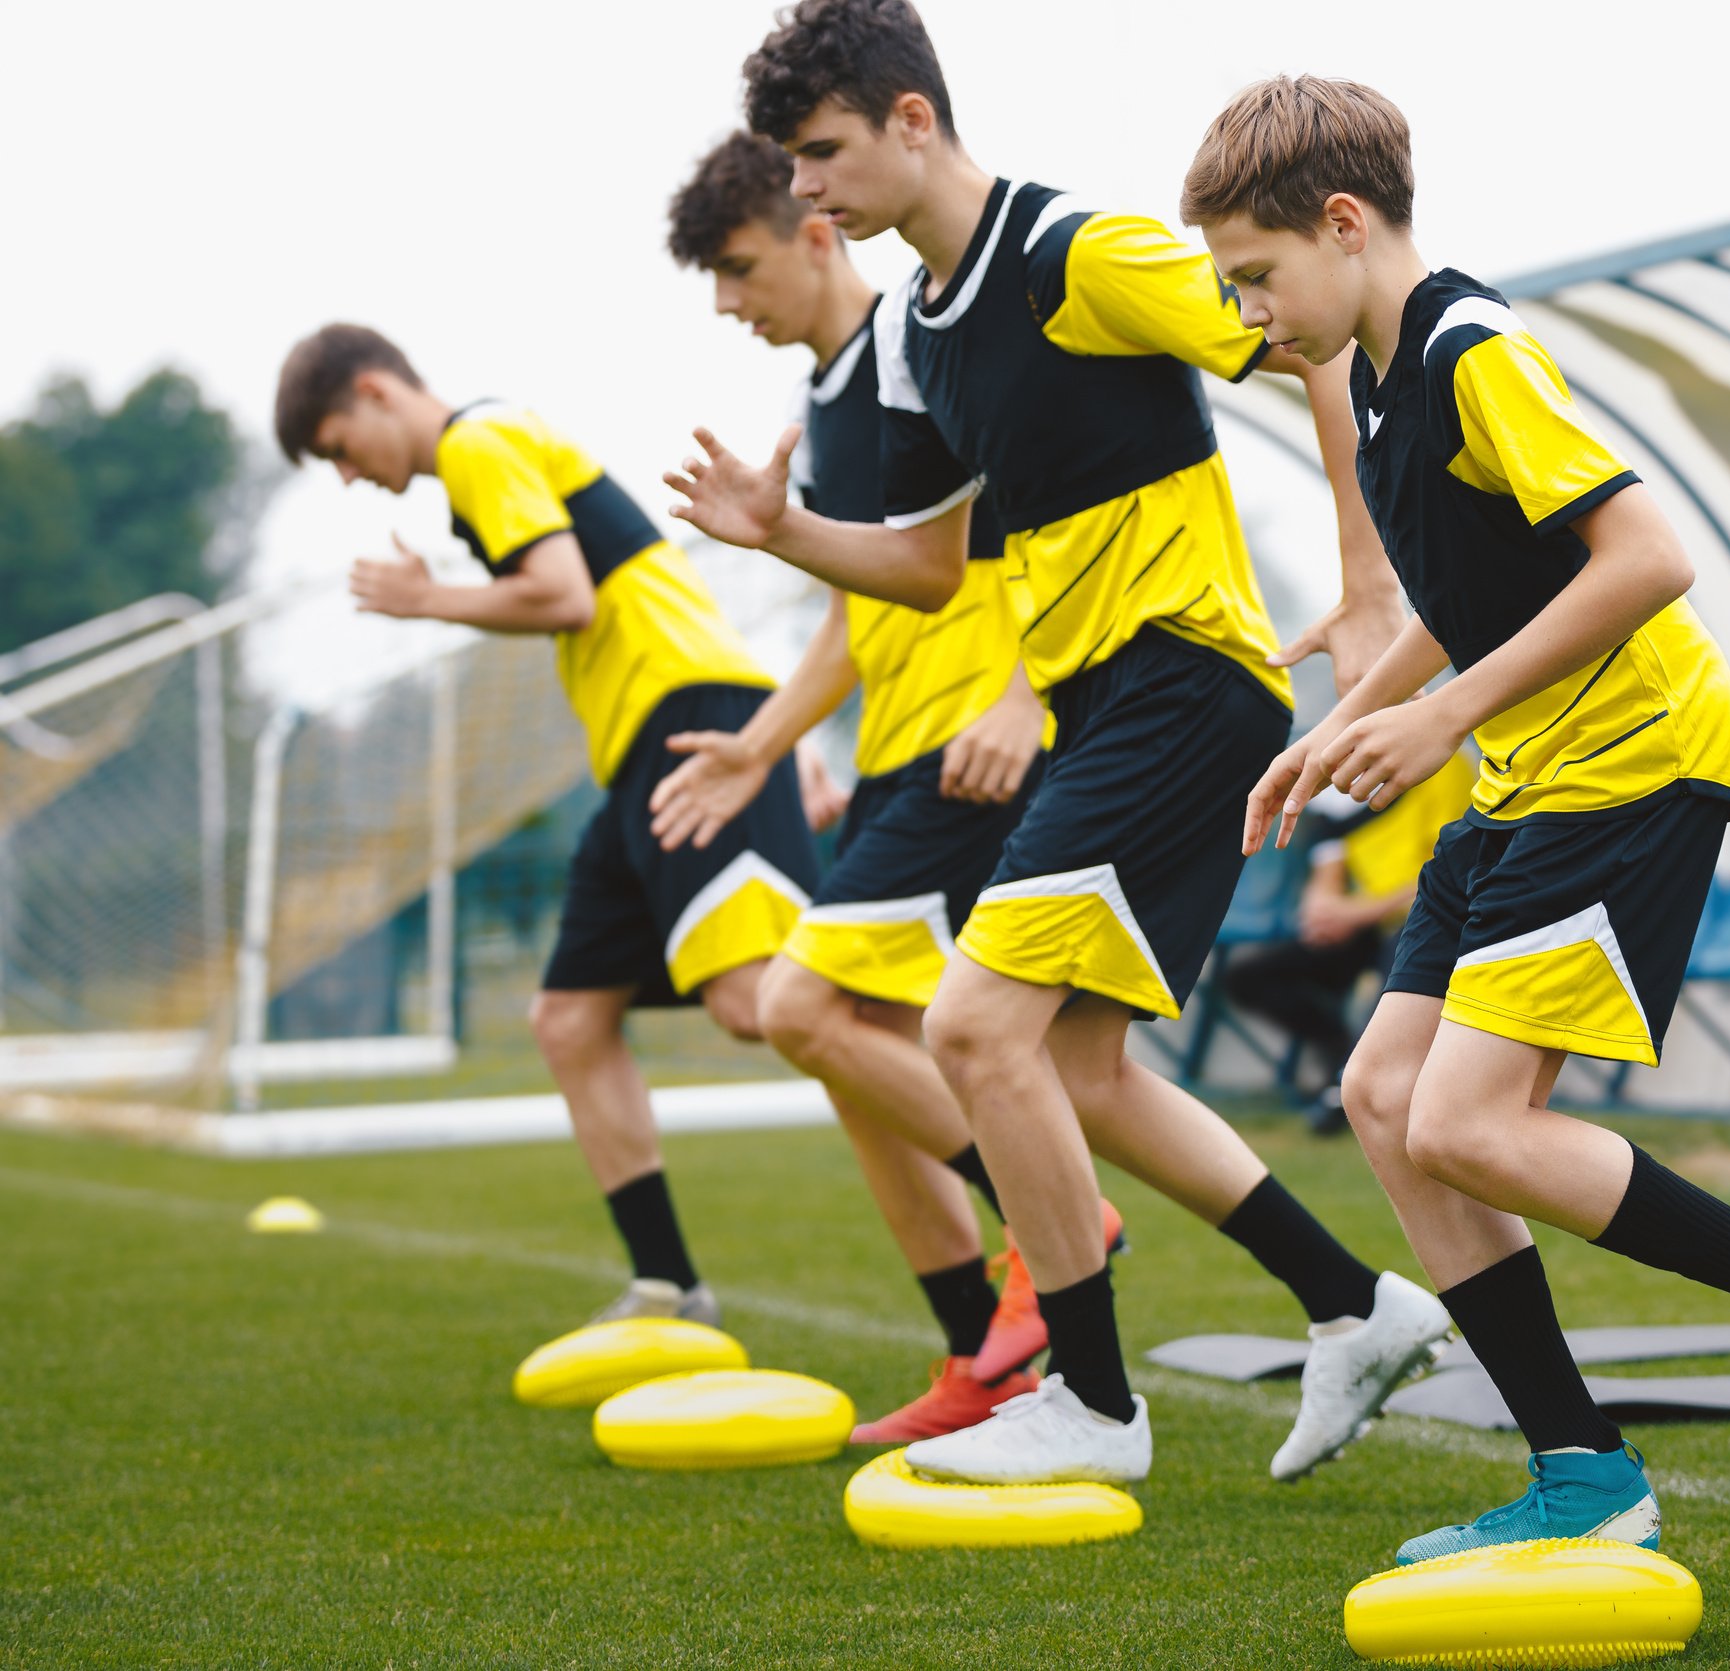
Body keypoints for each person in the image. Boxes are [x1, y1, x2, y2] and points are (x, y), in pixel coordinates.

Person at [666, 0, 1452, 1488]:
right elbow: (921, 565)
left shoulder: (1080, 252)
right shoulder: (916, 335)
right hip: (1103, 705)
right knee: (1079, 1072)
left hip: (1180, 683)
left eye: (823, 153)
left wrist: (1364, 589)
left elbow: (1318, 343)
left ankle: (1089, 1401)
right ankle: (1355, 1303)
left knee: (967, 1027)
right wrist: (781, 529)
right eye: (793, 164)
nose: (809, 191)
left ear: (912, 122)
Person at [1188, 75, 1730, 1559]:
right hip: (1529, 780)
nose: (1245, 314)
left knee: (1466, 1116)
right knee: (1386, 1098)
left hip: (1630, 768)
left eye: (1254, 277)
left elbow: (1647, 557)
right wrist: (1341, 722)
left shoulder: (1468, 353)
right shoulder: (1386, 378)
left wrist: (1439, 715)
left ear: (1340, 223)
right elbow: (1471, 598)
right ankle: (1581, 1464)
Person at [659, 132, 1133, 1441]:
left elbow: (1045, 533)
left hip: (967, 759)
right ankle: (981, 1357)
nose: (723, 303)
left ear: (817, 232)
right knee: (858, 1064)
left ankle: (1060, 1226)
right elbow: (846, 616)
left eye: (737, 267)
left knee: (807, 1009)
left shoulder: (919, 352)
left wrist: (1023, 694)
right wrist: (760, 744)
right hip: (886, 759)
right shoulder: (822, 399)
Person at [273, 323, 823, 1334]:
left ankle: (1021, 1187)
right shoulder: (487, 454)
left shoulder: (477, 444)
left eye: (339, 446)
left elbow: (564, 595)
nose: (349, 476)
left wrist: (425, 599)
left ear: (373, 392)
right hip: (643, 746)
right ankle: (668, 1285)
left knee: (761, 1005)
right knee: (568, 1020)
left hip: (688, 722)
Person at [1220, 752, 1475, 1131]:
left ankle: (1350, 1089)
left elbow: (1456, 875)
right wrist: (1321, 909)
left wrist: (1352, 913)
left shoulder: (1444, 762)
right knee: (1250, 976)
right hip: (1370, 927)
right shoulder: (1339, 764)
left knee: (1394, 991)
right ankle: (1340, 1050)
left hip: (1431, 924)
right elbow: (1328, 861)